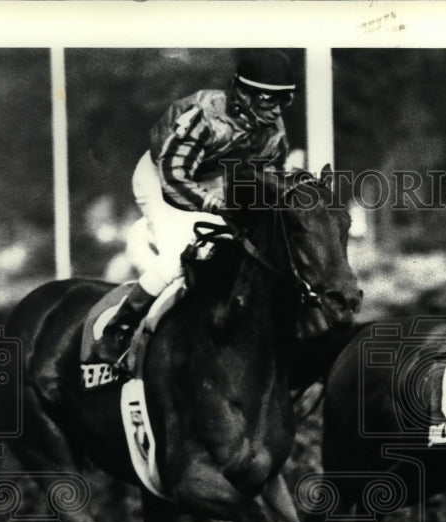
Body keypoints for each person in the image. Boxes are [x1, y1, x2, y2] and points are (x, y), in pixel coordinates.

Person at [94, 50, 297, 362]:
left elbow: (271, 182)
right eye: (267, 99)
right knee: (177, 257)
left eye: (284, 100)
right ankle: (117, 328)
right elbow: (173, 176)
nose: (275, 110)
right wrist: (210, 204)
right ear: (242, 93)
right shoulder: (204, 115)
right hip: (161, 176)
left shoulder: (273, 131)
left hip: (215, 180)